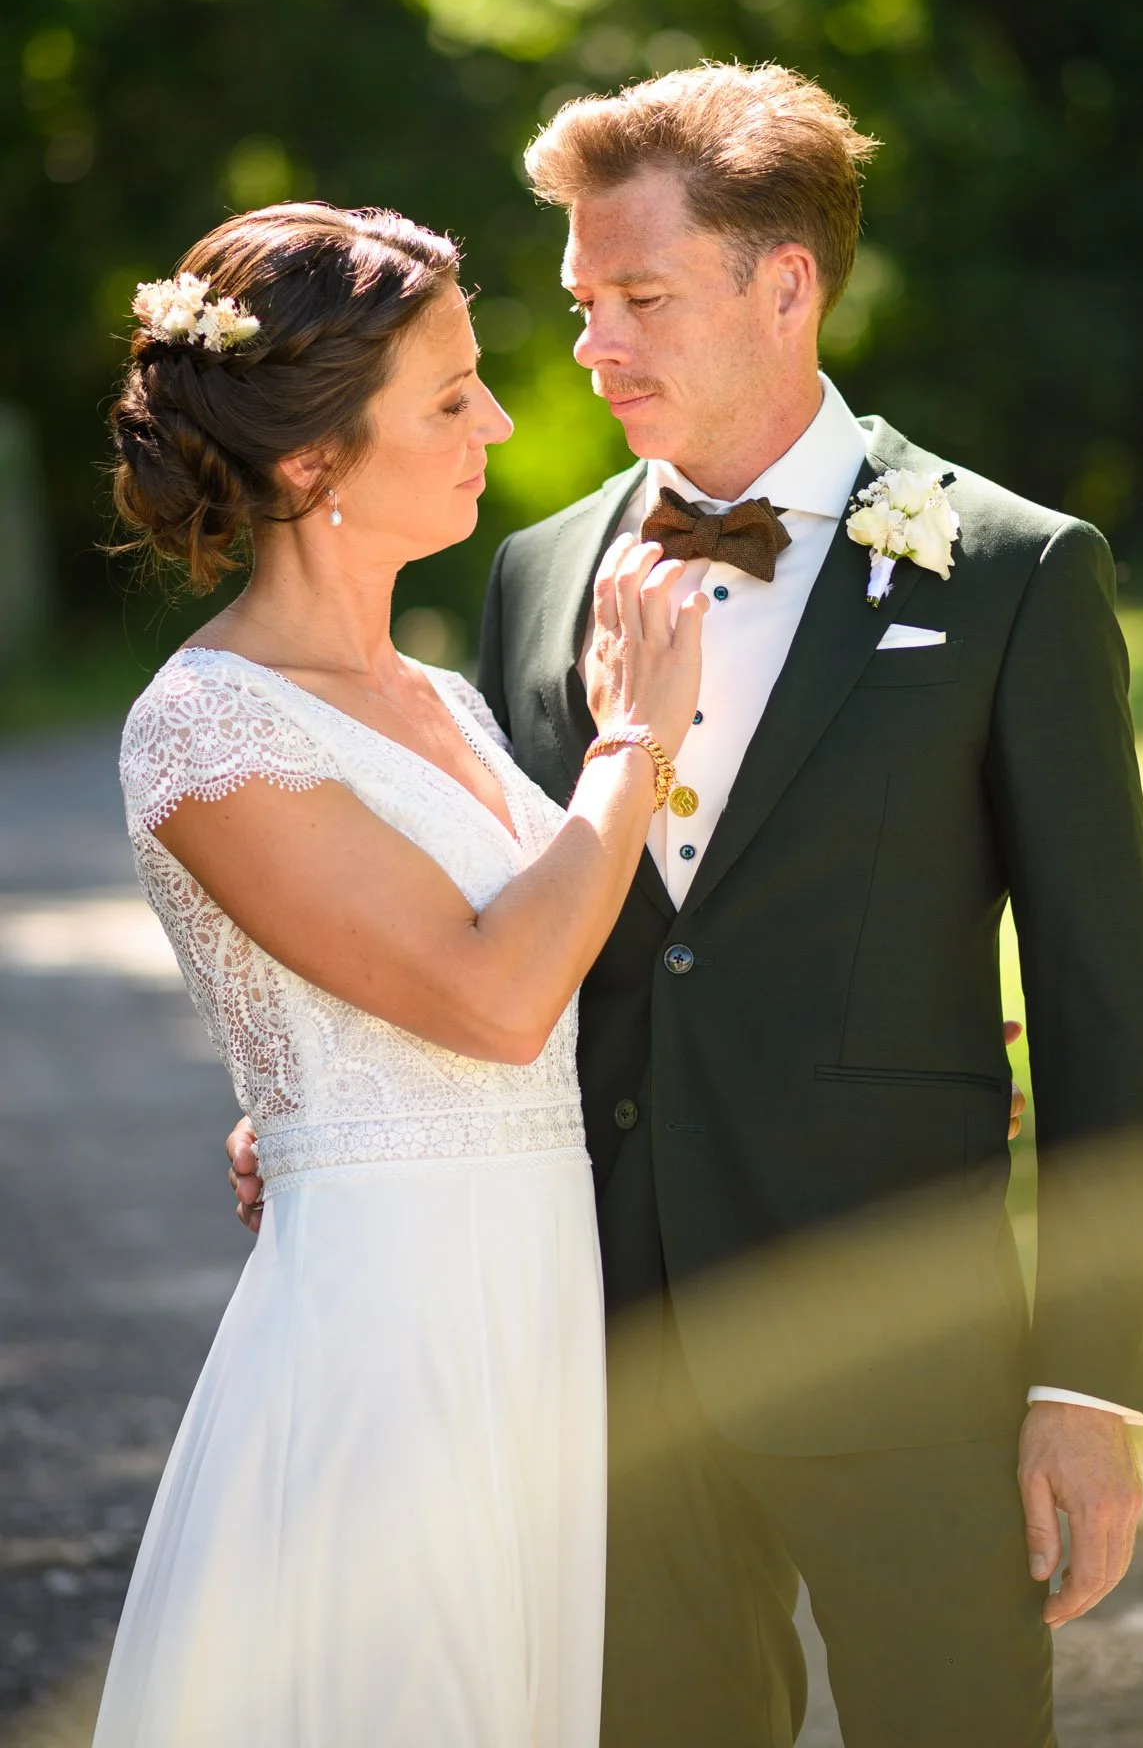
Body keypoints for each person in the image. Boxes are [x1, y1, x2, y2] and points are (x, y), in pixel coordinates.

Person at [228, 64, 1143, 1747]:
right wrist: (335, 1082)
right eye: (581, 301)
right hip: (598, 1339)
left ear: (785, 283)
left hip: (901, 1342)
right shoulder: (535, 570)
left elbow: (1105, 1005)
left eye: (642, 298)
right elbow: (500, 911)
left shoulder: (1016, 573)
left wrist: (1085, 1383)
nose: (594, 347)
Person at [92, 202, 708, 1748]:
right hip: (391, 1327)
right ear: (313, 465)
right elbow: (495, 1001)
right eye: (450, 400)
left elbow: (560, 961)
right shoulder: (205, 726)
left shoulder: (441, 696)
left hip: (537, 1300)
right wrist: (636, 742)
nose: (496, 423)